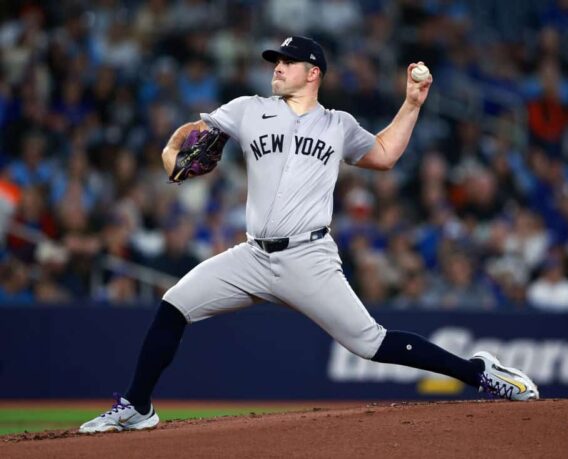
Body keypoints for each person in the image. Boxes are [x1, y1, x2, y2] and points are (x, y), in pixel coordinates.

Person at [79, 36, 538, 434]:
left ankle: (479, 372)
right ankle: (137, 407)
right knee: (173, 305)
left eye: (287, 61)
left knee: (371, 343)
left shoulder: (338, 124)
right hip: (252, 257)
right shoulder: (247, 110)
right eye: (274, 60)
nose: (276, 67)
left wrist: (412, 104)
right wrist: (172, 148)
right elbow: (194, 134)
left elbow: (383, 154)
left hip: (309, 256)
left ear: (312, 72)